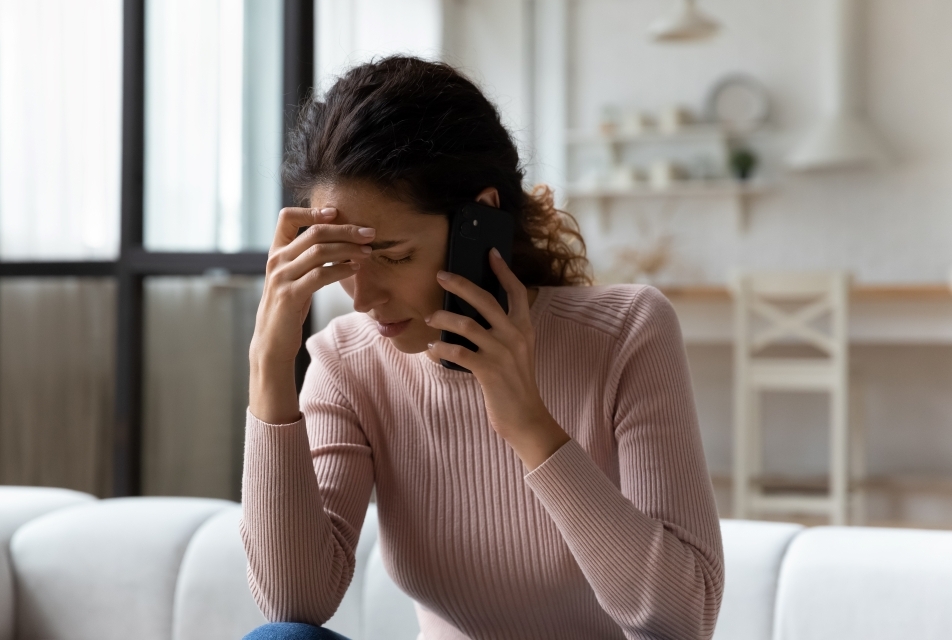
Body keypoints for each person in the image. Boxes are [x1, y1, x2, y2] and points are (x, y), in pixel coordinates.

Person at [242, 56, 723, 640]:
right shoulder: (348, 363)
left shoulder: (626, 333)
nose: (362, 297)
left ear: (481, 221)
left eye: (394, 256)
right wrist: (270, 369)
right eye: (343, 261)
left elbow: (683, 618)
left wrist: (530, 426)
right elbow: (295, 600)